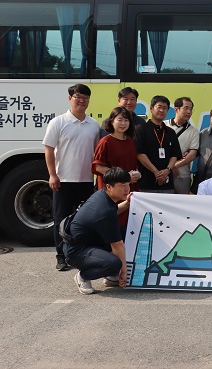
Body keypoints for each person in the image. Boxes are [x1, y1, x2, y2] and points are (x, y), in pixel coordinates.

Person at [43, 84, 100, 271]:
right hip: (63, 181)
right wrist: (52, 175)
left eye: (85, 97)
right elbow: (49, 149)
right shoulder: (58, 122)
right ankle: (61, 256)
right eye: (77, 97)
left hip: (86, 180)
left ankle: (81, 254)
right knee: (61, 220)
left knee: (84, 220)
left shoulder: (93, 125)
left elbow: (97, 153)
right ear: (70, 99)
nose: (81, 100)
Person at [63, 167, 132, 295]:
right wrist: (123, 272)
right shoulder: (104, 209)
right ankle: (83, 276)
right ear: (109, 187)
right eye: (122, 185)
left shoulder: (103, 195)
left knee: (127, 232)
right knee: (114, 264)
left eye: (128, 184)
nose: (127, 189)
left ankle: (111, 276)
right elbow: (117, 245)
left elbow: (113, 212)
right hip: (76, 251)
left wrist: (127, 203)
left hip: (91, 242)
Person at [92, 106, 140, 239]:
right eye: (119, 120)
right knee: (112, 221)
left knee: (127, 224)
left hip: (129, 187)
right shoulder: (105, 141)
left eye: (126, 120)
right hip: (112, 189)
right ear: (112, 121)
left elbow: (133, 164)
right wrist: (122, 177)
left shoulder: (130, 142)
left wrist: (136, 174)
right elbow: (98, 167)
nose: (123, 123)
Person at [135, 95, 182, 193]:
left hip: (167, 182)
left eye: (165, 108)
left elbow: (174, 154)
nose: (162, 110)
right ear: (151, 108)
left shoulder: (170, 132)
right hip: (146, 182)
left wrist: (167, 170)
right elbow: (140, 154)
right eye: (159, 107)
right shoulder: (141, 129)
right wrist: (156, 172)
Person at [165, 97, 199, 194]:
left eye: (191, 109)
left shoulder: (194, 131)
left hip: (183, 176)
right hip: (163, 174)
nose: (189, 112)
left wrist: (172, 167)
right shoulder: (164, 125)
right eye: (186, 108)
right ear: (176, 109)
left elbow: (192, 155)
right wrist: (168, 169)